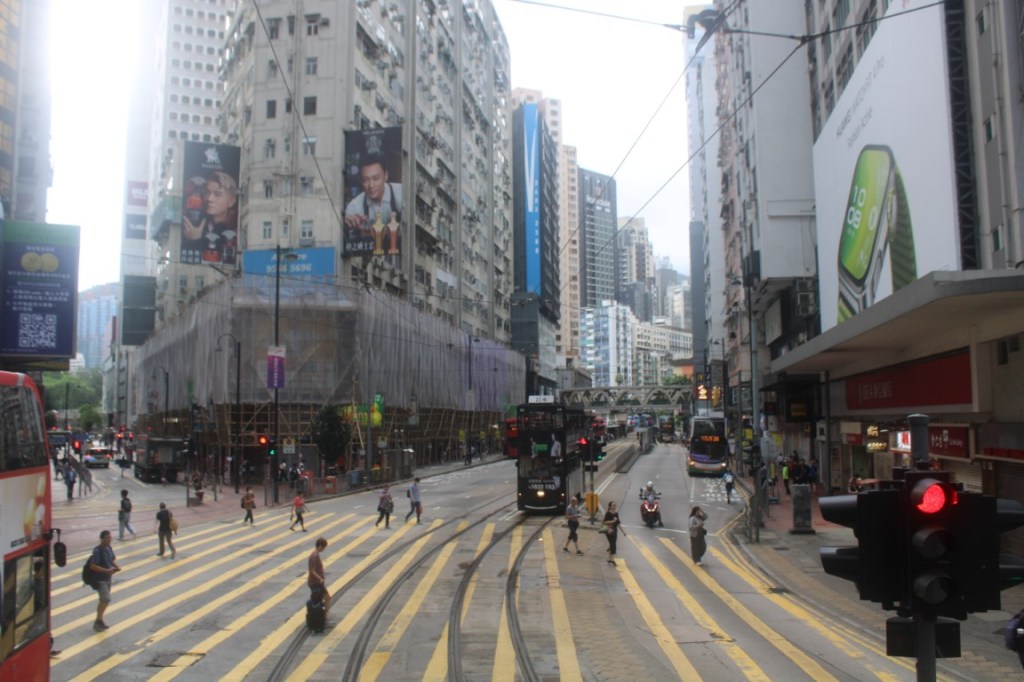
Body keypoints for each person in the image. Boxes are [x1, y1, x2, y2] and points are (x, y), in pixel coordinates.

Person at [344, 156, 403, 240]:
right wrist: (350, 226)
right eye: (365, 180)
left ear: (386, 176)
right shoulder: (354, 207)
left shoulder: (401, 194)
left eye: (376, 178)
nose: (371, 185)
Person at [89, 530, 121, 631]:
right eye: (107, 538)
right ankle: (98, 620)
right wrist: (107, 570)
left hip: (108, 578)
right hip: (100, 579)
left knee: (103, 600)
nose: (109, 539)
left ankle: (99, 620)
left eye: (110, 537)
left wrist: (117, 567)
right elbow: (93, 566)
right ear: (102, 539)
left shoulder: (109, 548)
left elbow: (111, 559)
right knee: (106, 599)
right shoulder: (97, 550)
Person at [308, 537, 331, 614]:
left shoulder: (315, 554)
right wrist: (320, 579)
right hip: (316, 582)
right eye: (324, 547)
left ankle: (321, 614)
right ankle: (324, 616)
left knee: (318, 599)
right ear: (320, 546)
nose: (324, 549)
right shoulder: (314, 556)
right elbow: (312, 571)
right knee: (327, 598)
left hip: (316, 582)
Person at [602, 501, 624, 566]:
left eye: (615, 505)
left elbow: (618, 523)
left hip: (615, 530)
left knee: (612, 544)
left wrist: (623, 532)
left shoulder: (616, 514)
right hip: (609, 531)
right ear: (610, 506)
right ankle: (612, 560)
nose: (614, 507)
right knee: (613, 545)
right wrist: (612, 521)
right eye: (613, 505)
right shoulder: (608, 513)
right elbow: (604, 522)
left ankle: (609, 560)